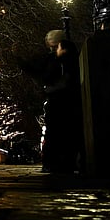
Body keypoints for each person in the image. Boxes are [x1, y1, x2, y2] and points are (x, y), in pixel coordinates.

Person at [41, 30, 84, 174]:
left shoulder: (64, 59)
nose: (53, 50)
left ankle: (60, 163)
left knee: (58, 131)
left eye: (54, 46)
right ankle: (60, 162)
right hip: (60, 100)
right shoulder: (58, 59)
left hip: (62, 100)